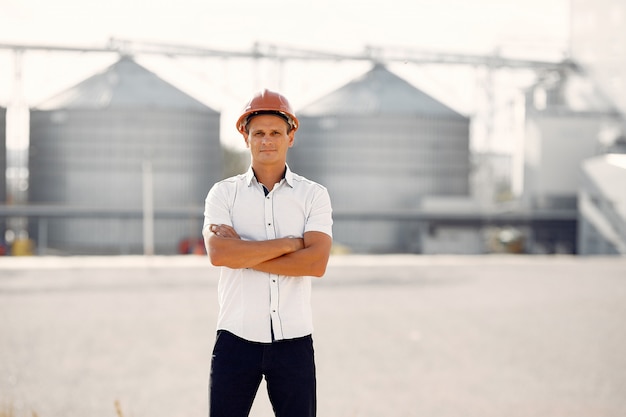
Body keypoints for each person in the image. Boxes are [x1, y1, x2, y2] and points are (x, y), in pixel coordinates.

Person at [202, 89, 333, 417]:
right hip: (235, 338)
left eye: (276, 132)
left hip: (295, 342)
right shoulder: (223, 194)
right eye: (258, 133)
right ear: (245, 138)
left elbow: (316, 264)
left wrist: (243, 254)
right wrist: (291, 244)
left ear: (291, 136)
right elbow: (219, 254)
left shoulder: (314, 196)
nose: (267, 140)